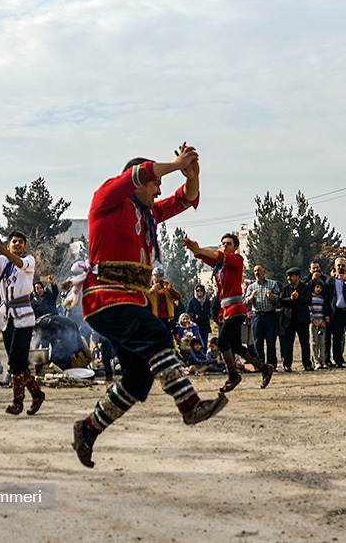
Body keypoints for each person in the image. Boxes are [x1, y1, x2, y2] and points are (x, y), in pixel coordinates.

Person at [69, 146, 226, 469]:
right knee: (156, 332)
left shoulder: (147, 214)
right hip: (105, 297)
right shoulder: (107, 199)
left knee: (137, 379)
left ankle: (88, 428)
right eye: (155, 185)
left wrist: (192, 175)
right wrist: (176, 164)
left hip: (131, 300)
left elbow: (185, 198)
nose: (159, 190)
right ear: (137, 181)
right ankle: (189, 405)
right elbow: (143, 173)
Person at [184, 232, 273, 392]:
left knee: (223, 342)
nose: (224, 245)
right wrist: (194, 249)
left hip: (236, 309)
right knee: (236, 345)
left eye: (228, 244)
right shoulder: (220, 265)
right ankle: (263, 367)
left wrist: (200, 249)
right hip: (225, 311)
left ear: (235, 248)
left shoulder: (236, 260)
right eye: (223, 243)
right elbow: (202, 256)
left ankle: (233, 375)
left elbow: (214, 254)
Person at [0, 232, 46, 416]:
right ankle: (37, 394)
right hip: (7, 317)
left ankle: (17, 401)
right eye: (14, 242)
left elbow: (19, 263)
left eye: (21, 242)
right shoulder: (1, 261)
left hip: (23, 316)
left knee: (15, 361)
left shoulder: (29, 260)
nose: (17, 244)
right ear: (9, 245)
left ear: (25, 247)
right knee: (18, 362)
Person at [278, 268, 313, 372]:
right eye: (288, 276)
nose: (289, 278)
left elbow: (309, 300)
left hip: (302, 319)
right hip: (289, 319)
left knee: (304, 342)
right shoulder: (285, 288)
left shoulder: (305, 287)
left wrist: (299, 297)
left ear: (297, 276)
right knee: (288, 343)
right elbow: (280, 301)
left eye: (291, 276)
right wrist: (290, 299)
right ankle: (287, 364)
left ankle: (307, 364)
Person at [245, 266, 281, 368]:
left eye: (259, 271)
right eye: (255, 271)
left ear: (264, 272)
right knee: (257, 341)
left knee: (271, 340)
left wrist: (272, 297)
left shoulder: (272, 284)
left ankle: (271, 364)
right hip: (257, 316)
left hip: (270, 315)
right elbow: (245, 301)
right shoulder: (251, 287)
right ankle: (259, 365)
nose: (257, 273)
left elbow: (279, 298)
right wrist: (251, 297)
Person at [186, 285, 213, 349]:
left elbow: (210, 310)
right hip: (196, 325)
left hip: (205, 325)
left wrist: (209, 316)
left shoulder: (207, 301)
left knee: (205, 342)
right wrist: (194, 315)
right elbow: (188, 312)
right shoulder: (192, 301)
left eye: (201, 290)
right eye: (198, 290)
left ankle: (204, 357)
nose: (199, 292)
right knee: (197, 343)